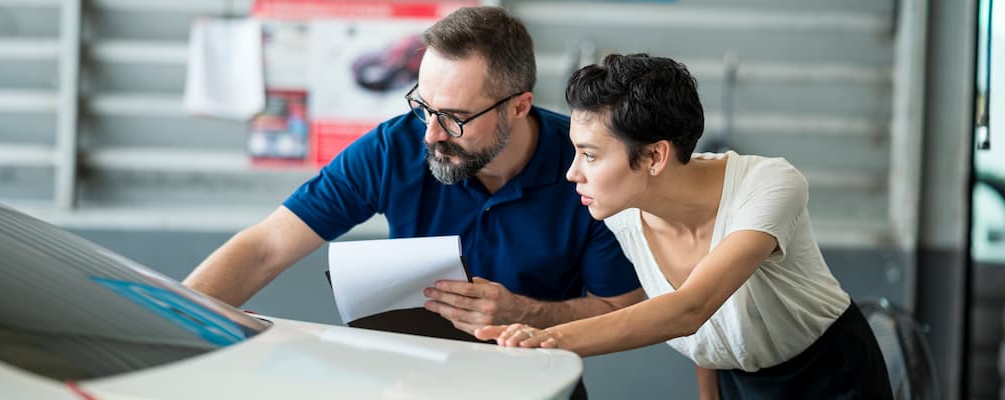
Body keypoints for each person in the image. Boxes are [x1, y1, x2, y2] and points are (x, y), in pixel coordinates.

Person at [182, 6, 643, 344]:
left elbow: (621, 309)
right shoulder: (394, 147)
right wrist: (170, 324)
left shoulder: (586, 165)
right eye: (423, 106)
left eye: (456, 117)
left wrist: (527, 312)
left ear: (519, 106)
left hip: (535, 381)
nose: (430, 135)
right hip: (410, 379)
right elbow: (265, 248)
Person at [475, 53, 893, 400]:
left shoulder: (768, 186)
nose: (572, 173)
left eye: (590, 155)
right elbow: (708, 338)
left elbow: (691, 308)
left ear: (655, 156)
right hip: (735, 383)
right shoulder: (622, 212)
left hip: (830, 376)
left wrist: (552, 339)